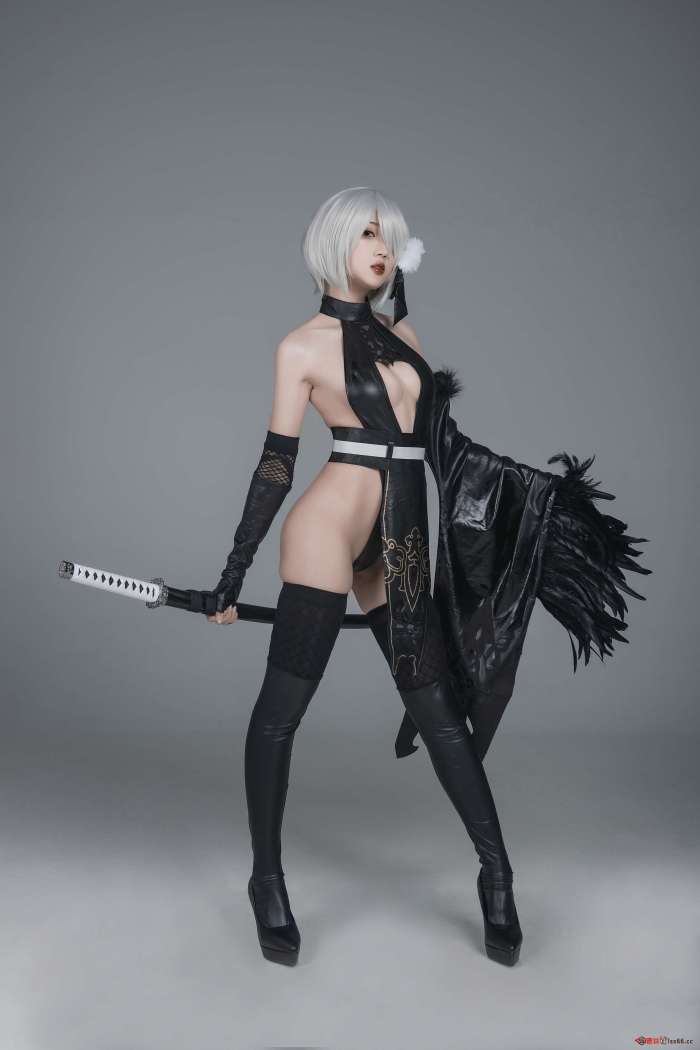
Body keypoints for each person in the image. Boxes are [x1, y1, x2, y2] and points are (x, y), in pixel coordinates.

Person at [201, 186, 650, 968]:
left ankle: (497, 875)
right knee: (282, 712)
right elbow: (276, 466)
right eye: (368, 234)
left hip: (401, 538)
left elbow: (439, 439)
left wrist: (533, 501)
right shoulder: (301, 347)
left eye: (391, 237)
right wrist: (233, 572)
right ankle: (266, 880)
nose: (382, 247)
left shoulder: (401, 333)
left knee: (439, 710)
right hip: (328, 527)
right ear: (334, 241)